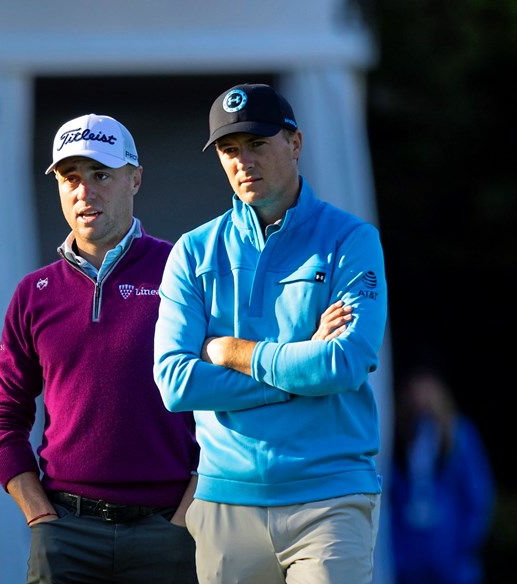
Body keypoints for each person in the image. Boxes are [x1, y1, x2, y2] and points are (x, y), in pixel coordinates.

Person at [153, 82, 388, 584]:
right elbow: (176, 383)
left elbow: (341, 364)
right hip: (225, 503)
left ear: (295, 143)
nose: (243, 161)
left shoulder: (351, 240)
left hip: (331, 496)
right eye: (229, 149)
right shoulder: (193, 252)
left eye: (257, 144)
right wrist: (298, 363)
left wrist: (231, 351)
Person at [0, 113, 200, 584]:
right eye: (71, 177)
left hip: (170, 528)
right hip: (66, 533)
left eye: (101, 174)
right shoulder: (34, 292)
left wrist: (188, 514)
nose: (85, 191)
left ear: (135, 179)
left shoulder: (182, 270)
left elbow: (223, 405)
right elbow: (0, 415)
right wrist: (39, 515)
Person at [388, 365, 496, 584]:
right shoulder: (400, 436)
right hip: (410, 558)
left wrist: (465, 545)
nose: (420, 395)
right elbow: (393, 495)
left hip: (451, 555)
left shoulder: (460, 435)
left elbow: (478, 494)